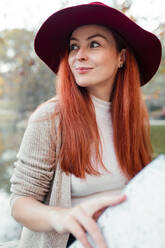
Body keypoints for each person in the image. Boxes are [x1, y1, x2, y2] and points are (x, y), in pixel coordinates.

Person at [10, 2, 162, 248]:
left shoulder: (133, 120)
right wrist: (61, 217)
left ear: (121, 57)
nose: (78, 55)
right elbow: (20, 203)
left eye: (94, 44)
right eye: (73, 46)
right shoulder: (50, 117)